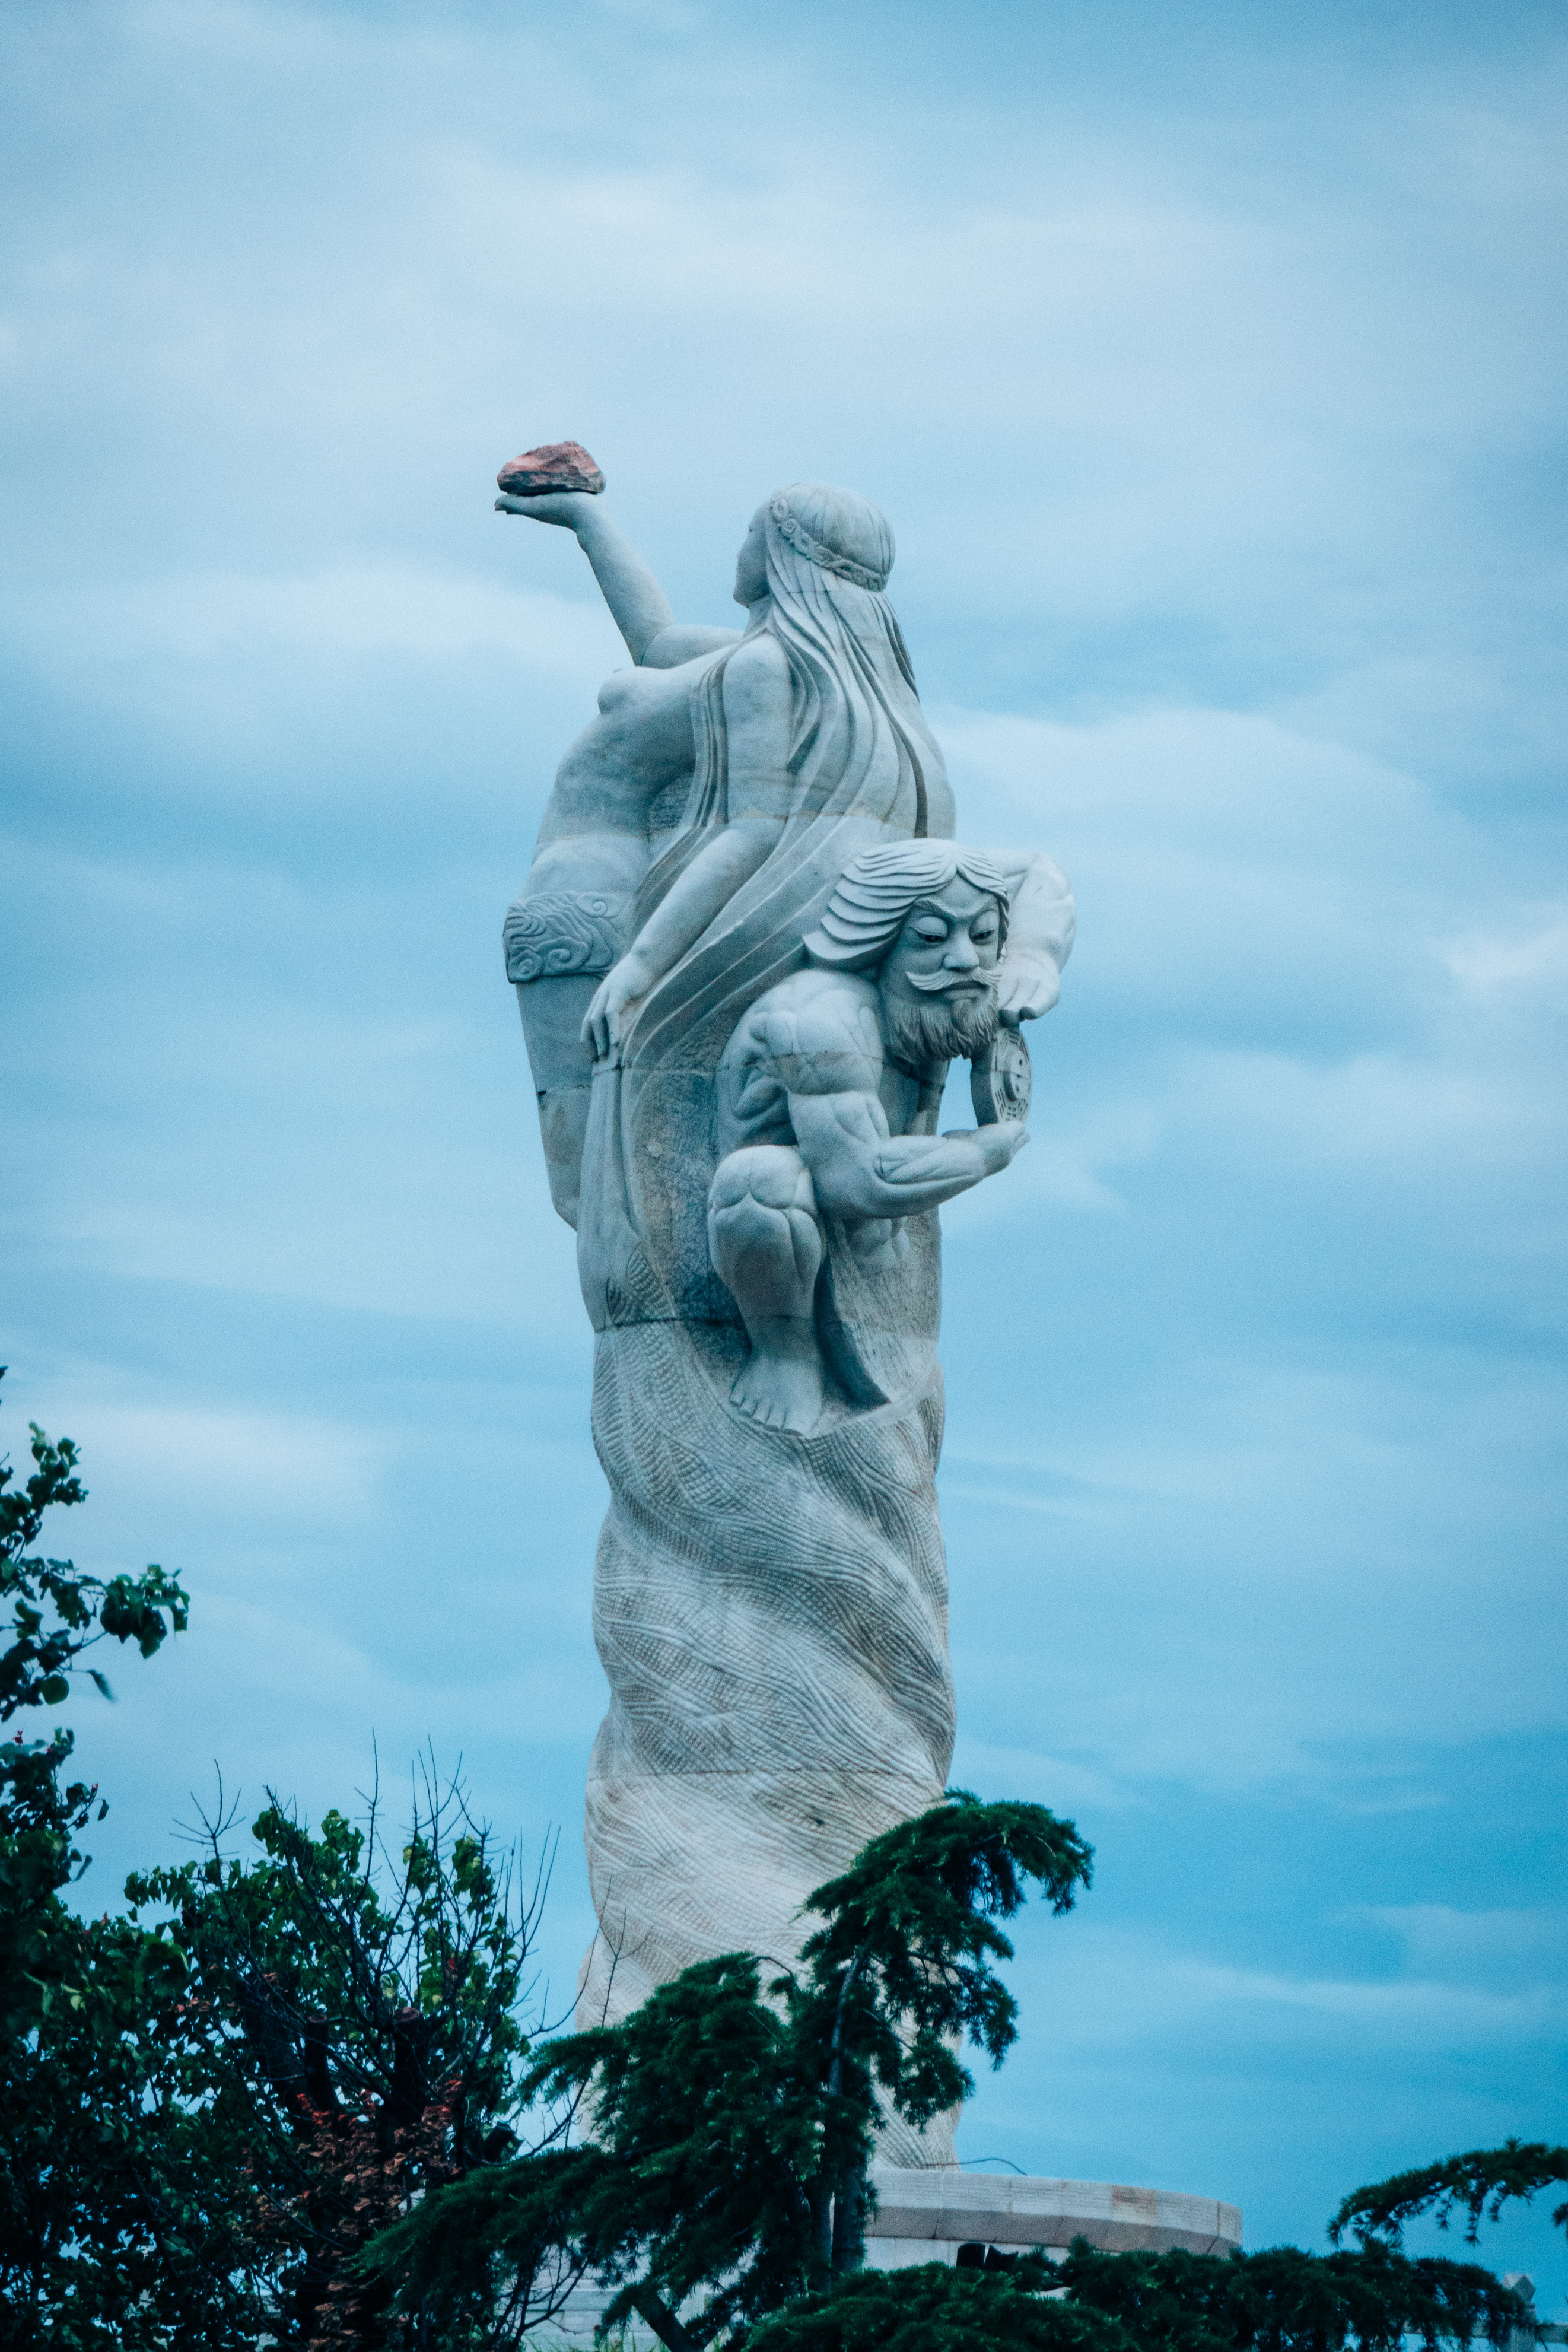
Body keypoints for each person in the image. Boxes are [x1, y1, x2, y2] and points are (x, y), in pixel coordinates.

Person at [707, 841, 1029, 1434]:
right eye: (931, 938)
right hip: (784, 1235)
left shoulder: (947, 998)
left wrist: (1036, 967)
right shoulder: (821, 1017)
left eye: (982, 935)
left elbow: (1039, 877)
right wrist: (979, 1154)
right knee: (761, 1184)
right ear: (879, 941)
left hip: (883, 1250)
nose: (963, 959)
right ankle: (785, 1355)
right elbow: (858, 1180)